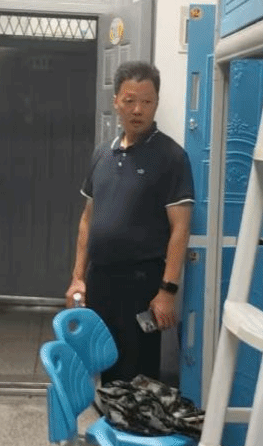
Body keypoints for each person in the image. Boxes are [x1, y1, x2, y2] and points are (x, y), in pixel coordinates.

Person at [65, 61, 194, 384]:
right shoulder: (102, 155)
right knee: (105, 364)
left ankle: (134, 418)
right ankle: (110, 415)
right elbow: (87, 220)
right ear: (116, 102)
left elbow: (180, 229)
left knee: (138, 373)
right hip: (100, 281)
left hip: (143, 286)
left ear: (156, 103)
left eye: (147, 101)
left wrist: (167, 291)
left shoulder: (171, 157)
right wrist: (78, 278)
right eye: (130, 100)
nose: (138, 109)